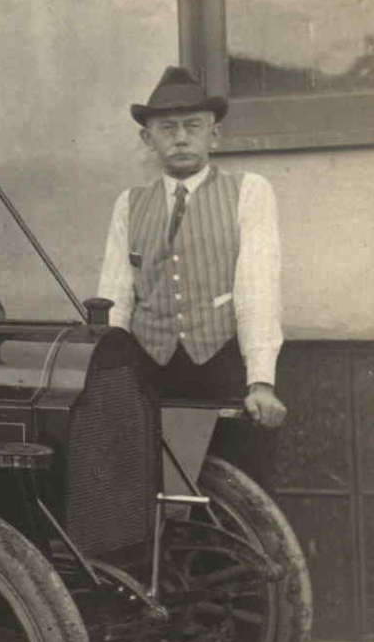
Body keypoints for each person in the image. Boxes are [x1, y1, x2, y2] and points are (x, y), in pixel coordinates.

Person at [97, 65, 287, 476]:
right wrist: (111, 383)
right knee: (142, 485)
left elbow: (258, 289)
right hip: (148, 369)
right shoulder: (128, 204)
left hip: (222, 365)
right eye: (167, 128)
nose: (180, 138)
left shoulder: (249, 191)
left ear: (214, 134)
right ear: (148, 139)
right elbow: (116, 299)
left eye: (193, 126)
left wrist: (260, 382)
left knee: (236, 486)